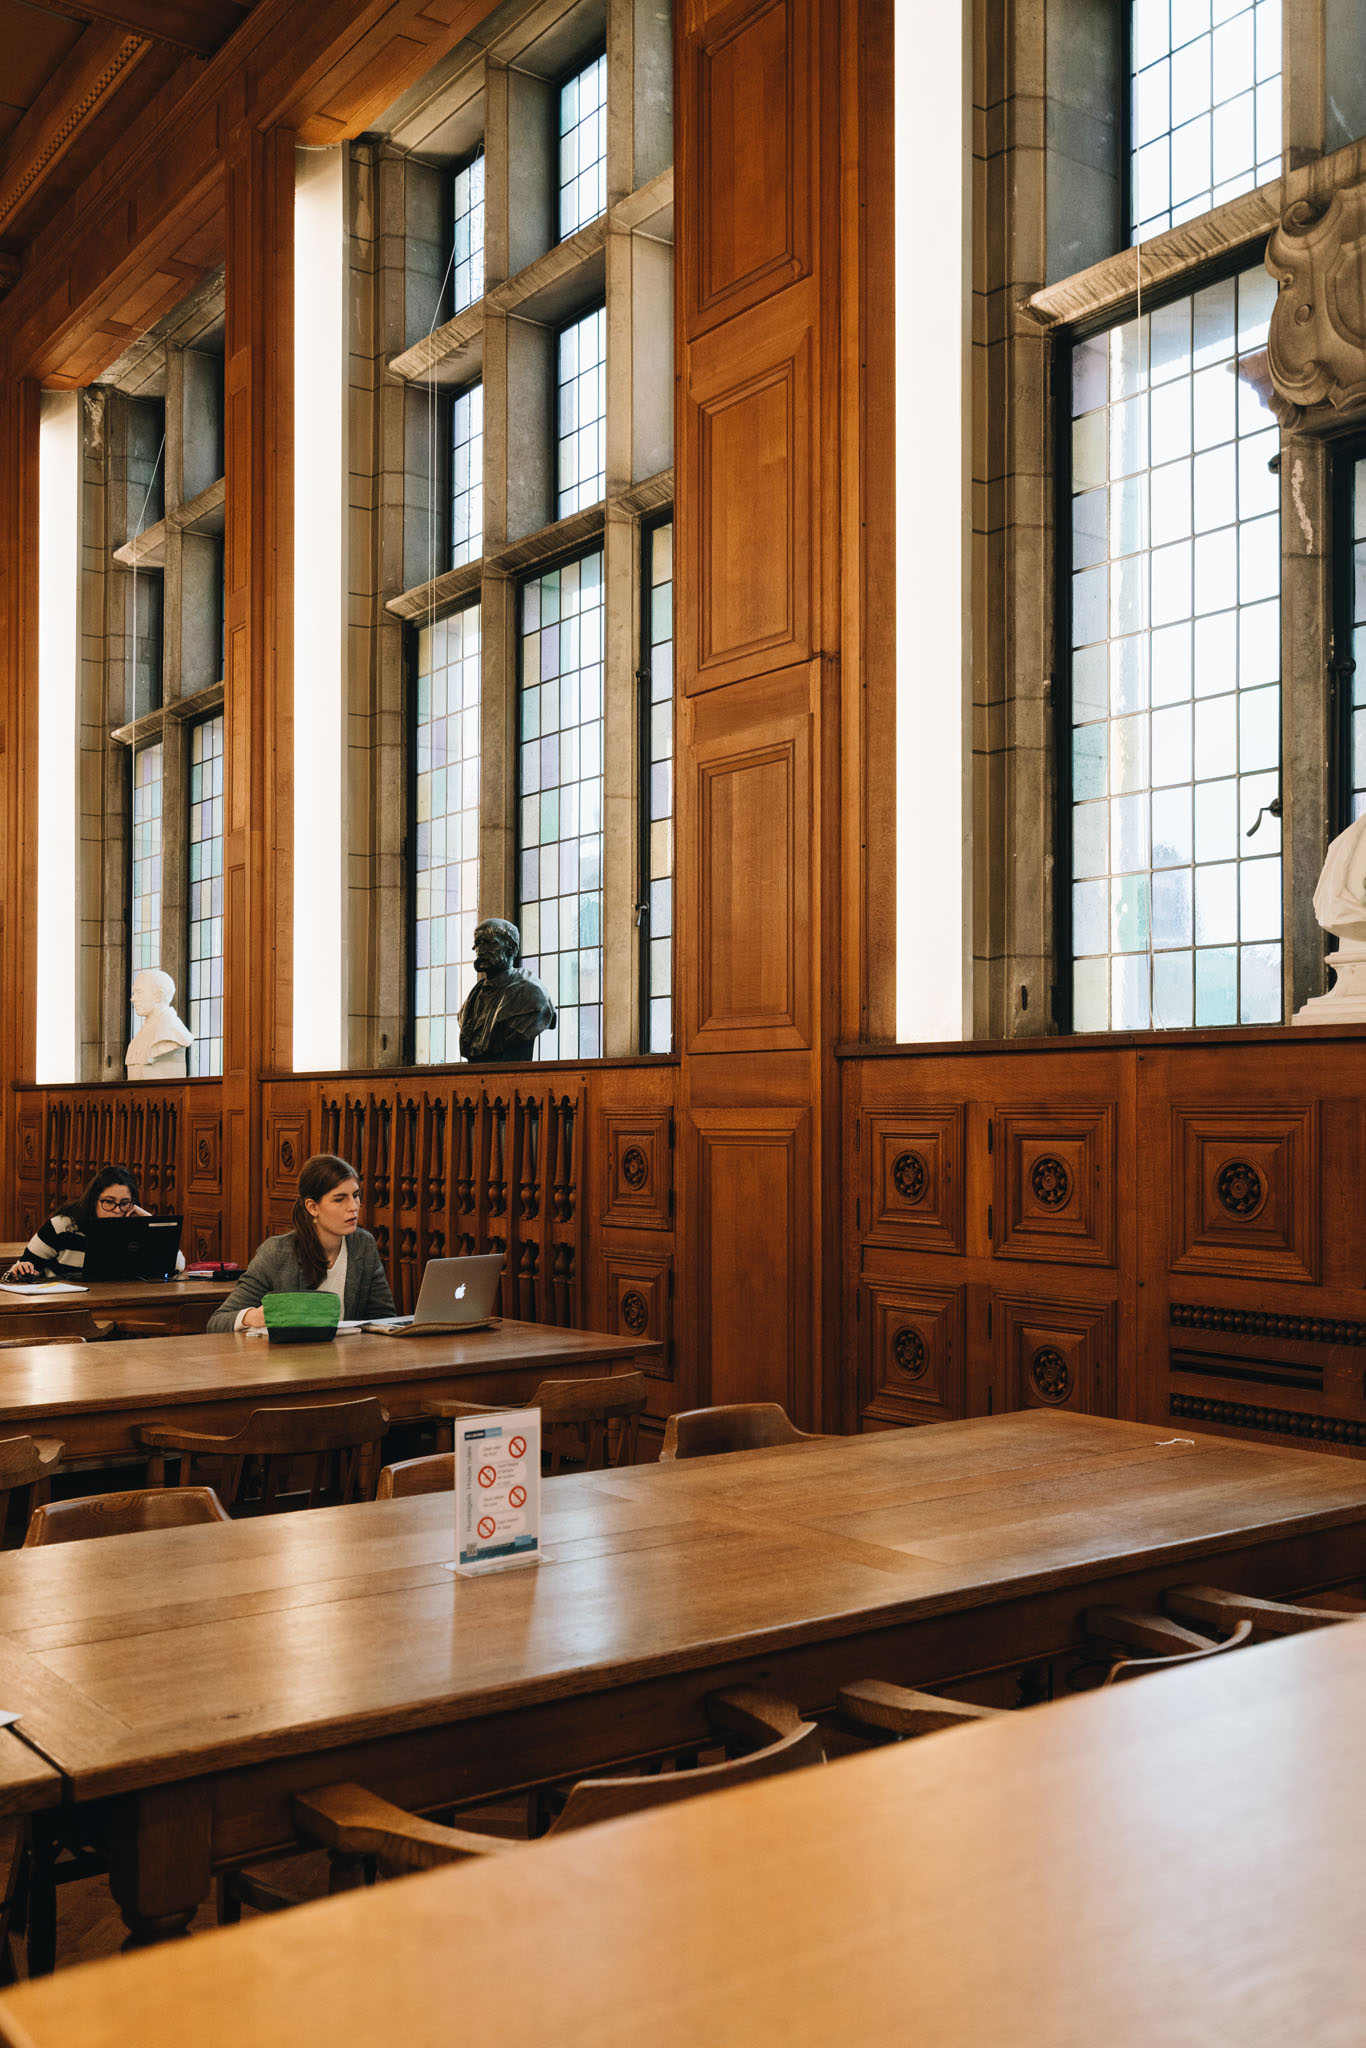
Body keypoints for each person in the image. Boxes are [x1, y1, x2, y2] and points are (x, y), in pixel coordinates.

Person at [207, 1153, 396, 1333]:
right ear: (313, 1207)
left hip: (349, 1360)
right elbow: (217, 1322)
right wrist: (253, 1316)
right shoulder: (276, 1253)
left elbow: (384, 1319)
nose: (353, 1207)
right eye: (339, 1199)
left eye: (355, 1195)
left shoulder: (364, 1245)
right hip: (290, 1362)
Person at [4, 1165, 185, 1280]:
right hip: (65, 1308)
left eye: (124, 1204)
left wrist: (149, 1224)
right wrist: (20, 1270)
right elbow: (19, 1270)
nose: (117, 1210)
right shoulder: (63, 1227)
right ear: (94, 1200)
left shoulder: (135, 1230)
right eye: (109, 1202)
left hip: (119, 1304)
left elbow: (177, 1266)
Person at [457, 917, 557, 1062]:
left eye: (490, 943)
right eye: (477, 944)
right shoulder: (472, 999)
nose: (481, 950)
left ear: (511, 949)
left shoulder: (531, 995)